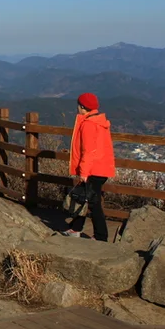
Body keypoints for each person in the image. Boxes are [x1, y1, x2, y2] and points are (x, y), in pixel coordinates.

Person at [65, 92, 116, 241]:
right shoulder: (100, 121)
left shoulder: (88, 124)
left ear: (82, 107)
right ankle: (75, 228)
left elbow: (87, 151)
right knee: (86, 199)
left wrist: (83, 172)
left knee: (93, 204)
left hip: (93, 169)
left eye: (79, 105)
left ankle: (101, 236)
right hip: (102, 168)